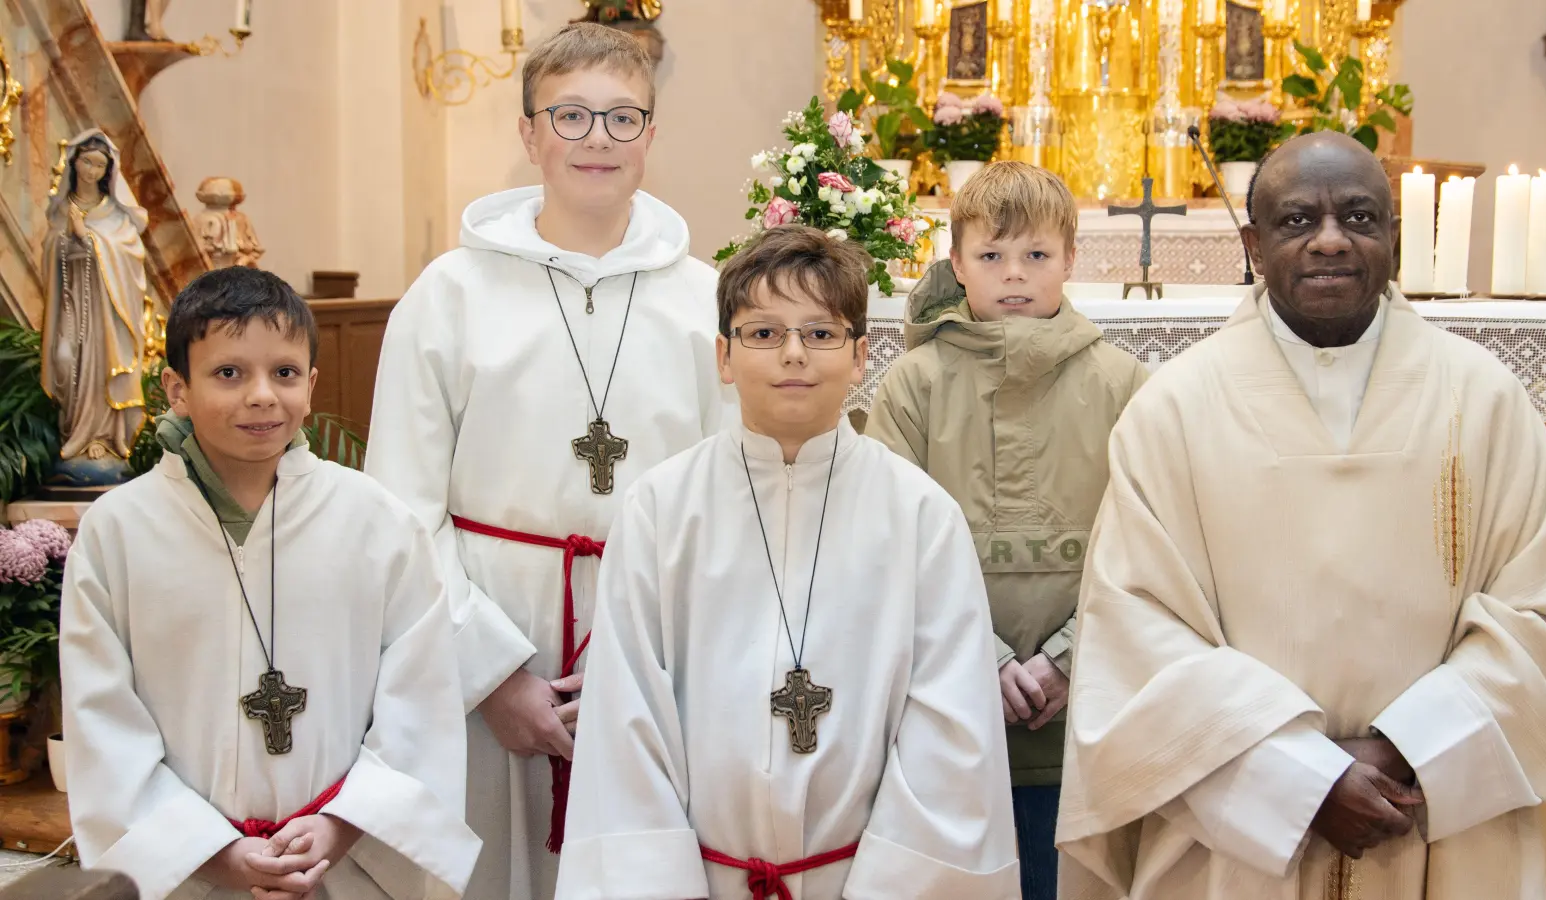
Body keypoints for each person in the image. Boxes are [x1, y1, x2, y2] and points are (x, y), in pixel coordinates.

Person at [1054, 132, 1546, 899]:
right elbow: (1136, 631)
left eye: (1359, 217)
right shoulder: (1174, 408)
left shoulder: (1483, 399)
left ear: (1394, 238)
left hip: (1445, 816)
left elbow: (1544, 613)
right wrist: (1301, 778)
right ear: (1253, 243)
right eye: (1298, 220)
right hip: (1239, 830)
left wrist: (1415, 746)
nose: (1331, 240)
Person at [363, 21, 727, 900]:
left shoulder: (706, 298)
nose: (595, 139)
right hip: (487, 637)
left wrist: (645, 663)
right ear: (527, 133)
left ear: (651, 134)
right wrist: (489, 674)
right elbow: (399, 512)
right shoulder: (447, 295)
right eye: (569, 116)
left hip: (654, 649)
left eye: (620, 117)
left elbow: (732, 501)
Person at [553, 225, 1019, 900]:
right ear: (723, 355)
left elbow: (949, 733)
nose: (793, 354)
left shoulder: (920, 518)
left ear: (862, 356)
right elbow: (627, 723)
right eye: (764, 334)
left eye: (822, 334)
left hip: (869, 877)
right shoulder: (661, 509)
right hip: (700, 879)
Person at [60, 267, 480, 900]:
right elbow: (103, 717)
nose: (261, 395)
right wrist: (214, 853)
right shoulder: (118, 531)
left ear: (311, 385)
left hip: (344, 862)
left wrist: (341, 826)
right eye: (229, 373)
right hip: (192, 873)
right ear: (176, 388)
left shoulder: (377, 522)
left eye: (284, 372)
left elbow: (421, 699)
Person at [864, 161, 1143, 900]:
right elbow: (887, 541)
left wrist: (1065, 659)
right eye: (991, 256)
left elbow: (1150, 547)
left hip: (1084, 710)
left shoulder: (1124, 384)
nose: (1013, 275)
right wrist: (983, 661)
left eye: (1036, 256)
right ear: (956, 263)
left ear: (1071, 260)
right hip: (951, 709)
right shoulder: (915, 384)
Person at [41, 130, 148, 474]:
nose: (92, 171)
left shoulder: (115, 214)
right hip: (72, 307)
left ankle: (104, 437)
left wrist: (88, 238)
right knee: (66, 361)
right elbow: (50, 255)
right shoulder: (62, 209)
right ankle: (75, 434)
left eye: (100, 165)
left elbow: (130, 256)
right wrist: (66, 240)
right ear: (74, 163)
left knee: (103, 368)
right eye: (87, 161)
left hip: (108, 316)